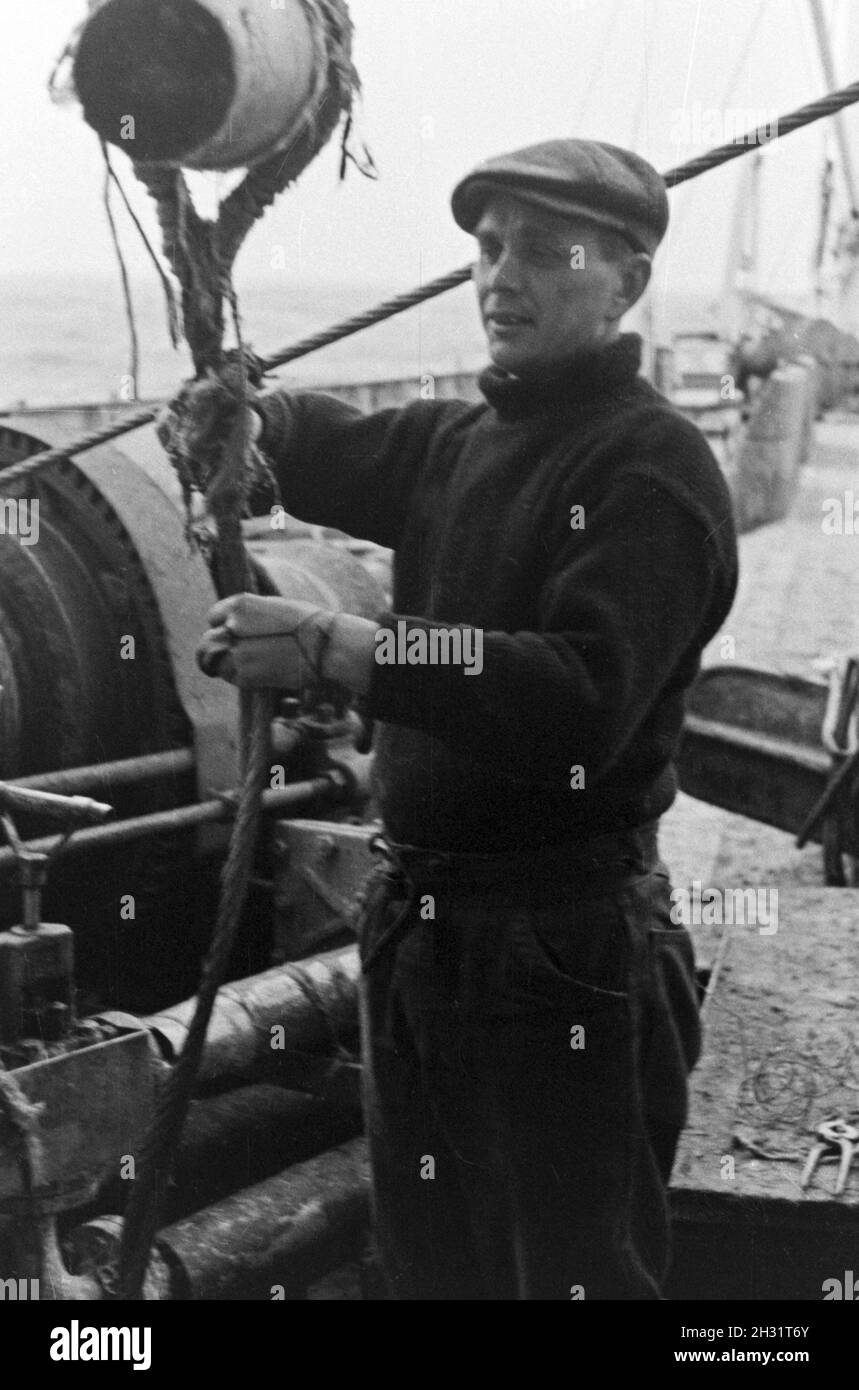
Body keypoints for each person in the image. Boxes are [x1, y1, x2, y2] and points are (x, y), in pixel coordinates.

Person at [166, 139, 738, 1300]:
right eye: (485, 250)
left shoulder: (652, 465)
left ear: (626, 279)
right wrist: (249, 422)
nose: (499, 278)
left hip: (561, 948)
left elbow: (577, 693)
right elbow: (330, 442)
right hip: (416, 931)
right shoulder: (461, 440)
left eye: (542, 248)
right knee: (431, 1269)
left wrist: (348, 647)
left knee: (571, 1279)